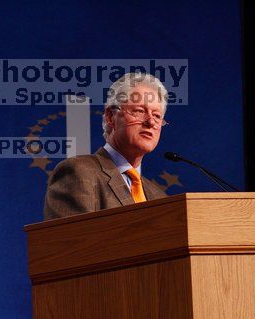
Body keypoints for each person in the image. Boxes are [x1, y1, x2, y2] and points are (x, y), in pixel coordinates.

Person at [43, 72, 168, 220]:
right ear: (110, 116)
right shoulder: (79, 173)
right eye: (140, 111)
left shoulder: (159, 197)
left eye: (157, 116)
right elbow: (72, 241)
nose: (151, 122)